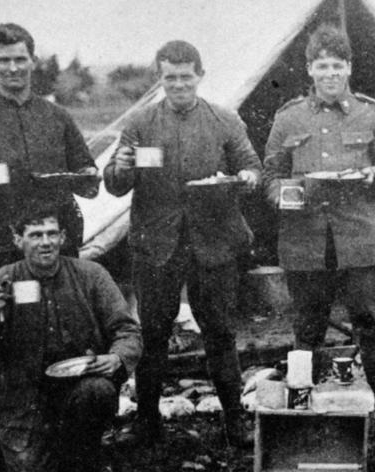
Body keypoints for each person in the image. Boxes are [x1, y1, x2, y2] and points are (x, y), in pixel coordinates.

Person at [0, 23, 98, 469]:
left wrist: (88, 177)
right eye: (3, 60)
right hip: (0, 251)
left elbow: (88, 175)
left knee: (57, 332)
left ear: (33, 60)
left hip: (56, 250)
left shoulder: (57, 118)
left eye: (20, 59)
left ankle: (56, 431)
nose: (13, 68)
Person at [103, 40, 262, 447]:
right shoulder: (140, 123)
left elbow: (251, 167)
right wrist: (118, 169)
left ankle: (234, 419)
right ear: (160, 78)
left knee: (221, 332)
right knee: (153, 333)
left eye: (185, 77)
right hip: (156, 243)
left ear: (200, 76)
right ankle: (146, 421)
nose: (177, 85)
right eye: (169, 77)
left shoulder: (224, 120)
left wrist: (245, 179)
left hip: (213, 242)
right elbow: (116, 183)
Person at [263, 25, 375, 430]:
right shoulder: (289, 117)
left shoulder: (373, 113)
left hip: (362, 238)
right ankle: (301, 410)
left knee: (371, 323)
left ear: (349, 68)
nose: (330, 73)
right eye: (321, 66)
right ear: (309, 69)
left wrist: (370, 177)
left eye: (337, 65)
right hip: (306, 240)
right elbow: (270, 176)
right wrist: (286, 194)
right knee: (307, 328)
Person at [0, 207, 142, 472]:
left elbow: (126, 330)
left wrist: (117, 357)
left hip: (78, 385)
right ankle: (13, 444)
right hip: (23, 397)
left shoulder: (91, 275)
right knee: (29, 465)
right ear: (18, 240)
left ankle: (83, 450)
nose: (46, 242)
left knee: (97, 392)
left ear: (62, 237)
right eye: (36, 235)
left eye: (52, 234)